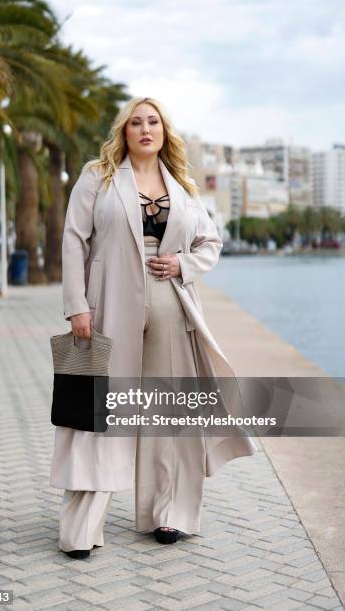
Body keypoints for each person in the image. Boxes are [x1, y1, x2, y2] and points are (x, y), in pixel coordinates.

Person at [49, 96, 257, 559]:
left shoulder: (181, 186)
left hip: (169, 302)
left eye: (154, 122)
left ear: (164, 131)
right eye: (136, 122)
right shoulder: (96, 176)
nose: (145, 129)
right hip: (108, 305)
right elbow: (73, 240)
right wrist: (76, 306)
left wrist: (182, 263)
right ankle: (82, 529)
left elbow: (210, 241)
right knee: (99, 414)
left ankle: (169, 514)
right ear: (124, 131)